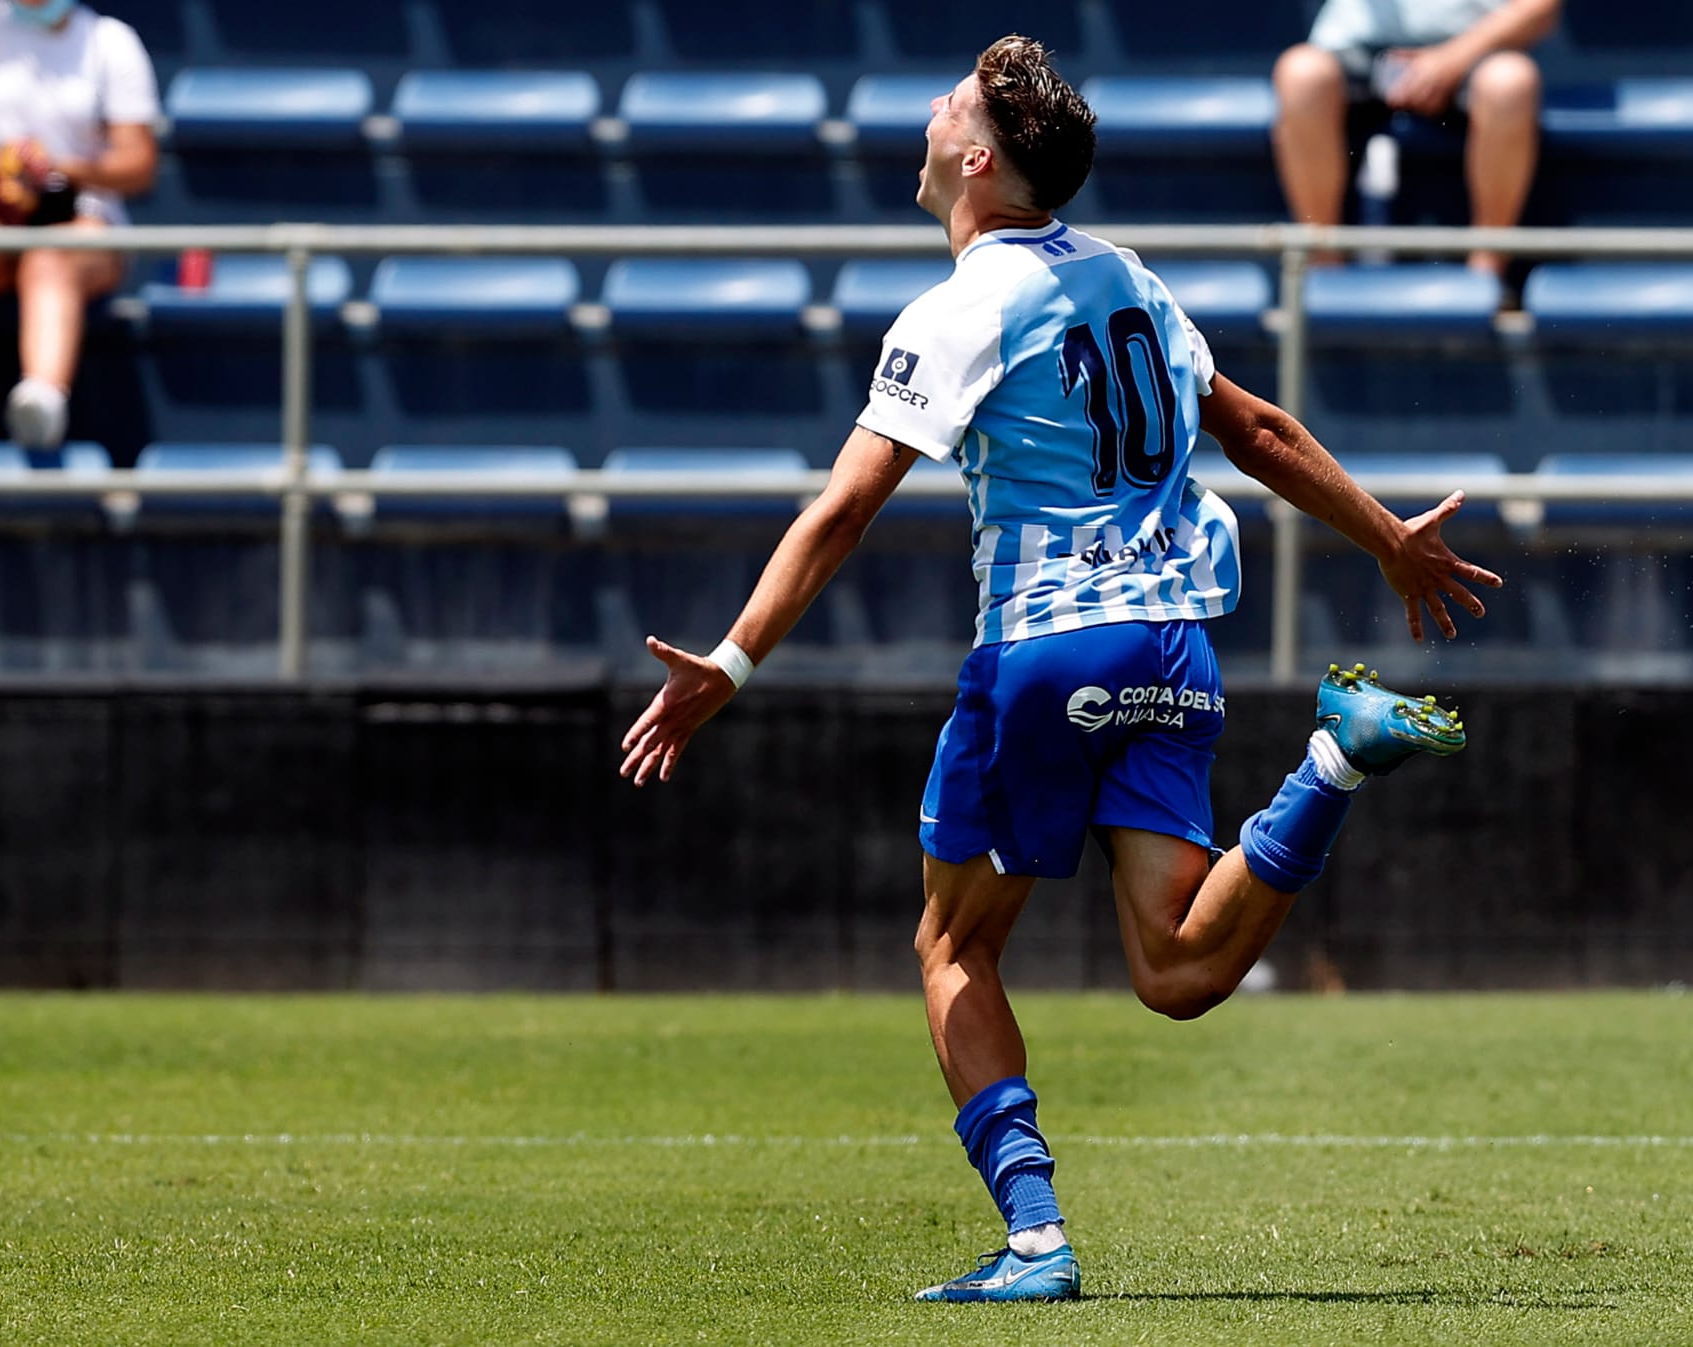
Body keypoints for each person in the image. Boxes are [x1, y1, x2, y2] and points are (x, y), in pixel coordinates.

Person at [618, 35, 1503, 1303]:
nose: (929, 112)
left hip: (1044, 647)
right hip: (1172, 649)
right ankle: (1332, 757)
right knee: (1180, 969)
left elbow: (843, 509)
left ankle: (1034, 1240)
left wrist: (731, 660)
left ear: (975, 159)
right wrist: (1389, 543)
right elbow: (1253, 427)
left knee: (952, 950)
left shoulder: (961, 307)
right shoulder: (1128, 279)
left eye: (949, 105)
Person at [0, 0, 159, 455]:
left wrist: (62, 169)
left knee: (51, 257)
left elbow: (139, 162)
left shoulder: (111, 42)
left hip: (84, 210)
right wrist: (2, 176)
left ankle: (41, 402)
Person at [1272, 0, 1561, 276]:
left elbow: (1539, 9)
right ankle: (1323, 267)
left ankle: (1487, 273)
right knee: (1301, 74)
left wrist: (1451, 60)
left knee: (1510, 83)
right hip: (1354, 48)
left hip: (1477, 49)